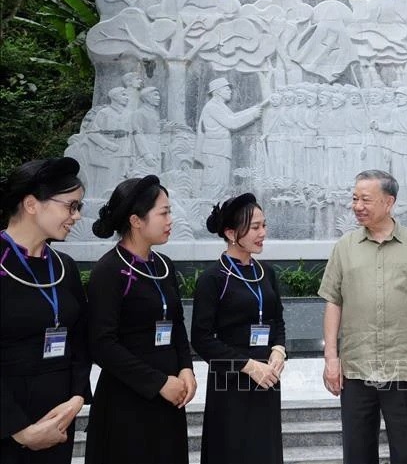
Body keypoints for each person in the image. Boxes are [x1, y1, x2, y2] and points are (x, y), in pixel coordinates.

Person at [318, 170, 407, 464]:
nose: (357, 206)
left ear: (389, 202)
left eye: (365, 199)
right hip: (356, 368)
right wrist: (331, 359)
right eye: (354, 199)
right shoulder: (344, 247)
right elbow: (333, 303)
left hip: (401, 367)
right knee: (357, 453)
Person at [84, 175, 195, 464]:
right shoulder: (109, 270)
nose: (171, 219)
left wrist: (186, 369)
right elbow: (102, 344)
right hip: (127, 402)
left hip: (170, 397)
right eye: (164, 212)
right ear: (136, 220)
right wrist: (158, 383)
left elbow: (177, 325)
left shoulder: (164, 266)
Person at [0, 157, 91, 463]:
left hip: (59, 424)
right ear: (31, 204)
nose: (76, 216)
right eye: (71, 205)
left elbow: (81, 339)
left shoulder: (64, 266)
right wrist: (19, 430)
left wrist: (77, 398)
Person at [191, 193, 285, 464]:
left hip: (268, 378)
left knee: (265, 450)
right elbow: (202, 339)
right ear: (231, 233)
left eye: (263, 225)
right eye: (255, 227)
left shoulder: (266, 272)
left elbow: (277, 319)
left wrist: (278, 350)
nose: (262, 233)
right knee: (232, 450)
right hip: (231, 381)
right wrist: (248, 366)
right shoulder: (212, 279)